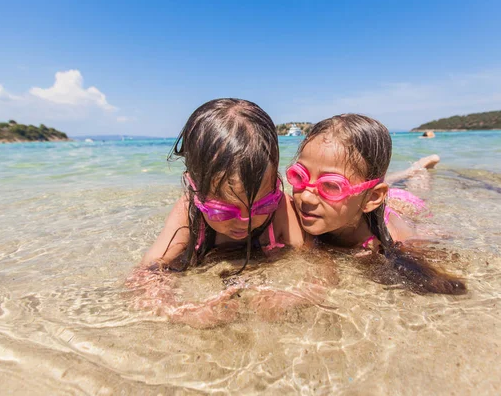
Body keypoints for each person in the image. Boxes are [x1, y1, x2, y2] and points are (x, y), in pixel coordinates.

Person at [128, 98, 304, 327]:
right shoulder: (188, 214)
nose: (246, 221)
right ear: (195, 189)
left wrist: (292, 297)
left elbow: (316, 262)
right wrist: (183, 312)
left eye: (261, 206)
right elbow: (146, 275)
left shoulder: (281, 208)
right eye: (223, 211)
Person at [287, 114, 466, 294]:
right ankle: (410, 171)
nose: (307, 197)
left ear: (373, 198)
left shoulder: (397, 238)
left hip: (403, 203)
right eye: (299, 175)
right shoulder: (299, 207)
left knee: (420, 188)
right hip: (367, 199)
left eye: (332, 186)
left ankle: (419, 170)